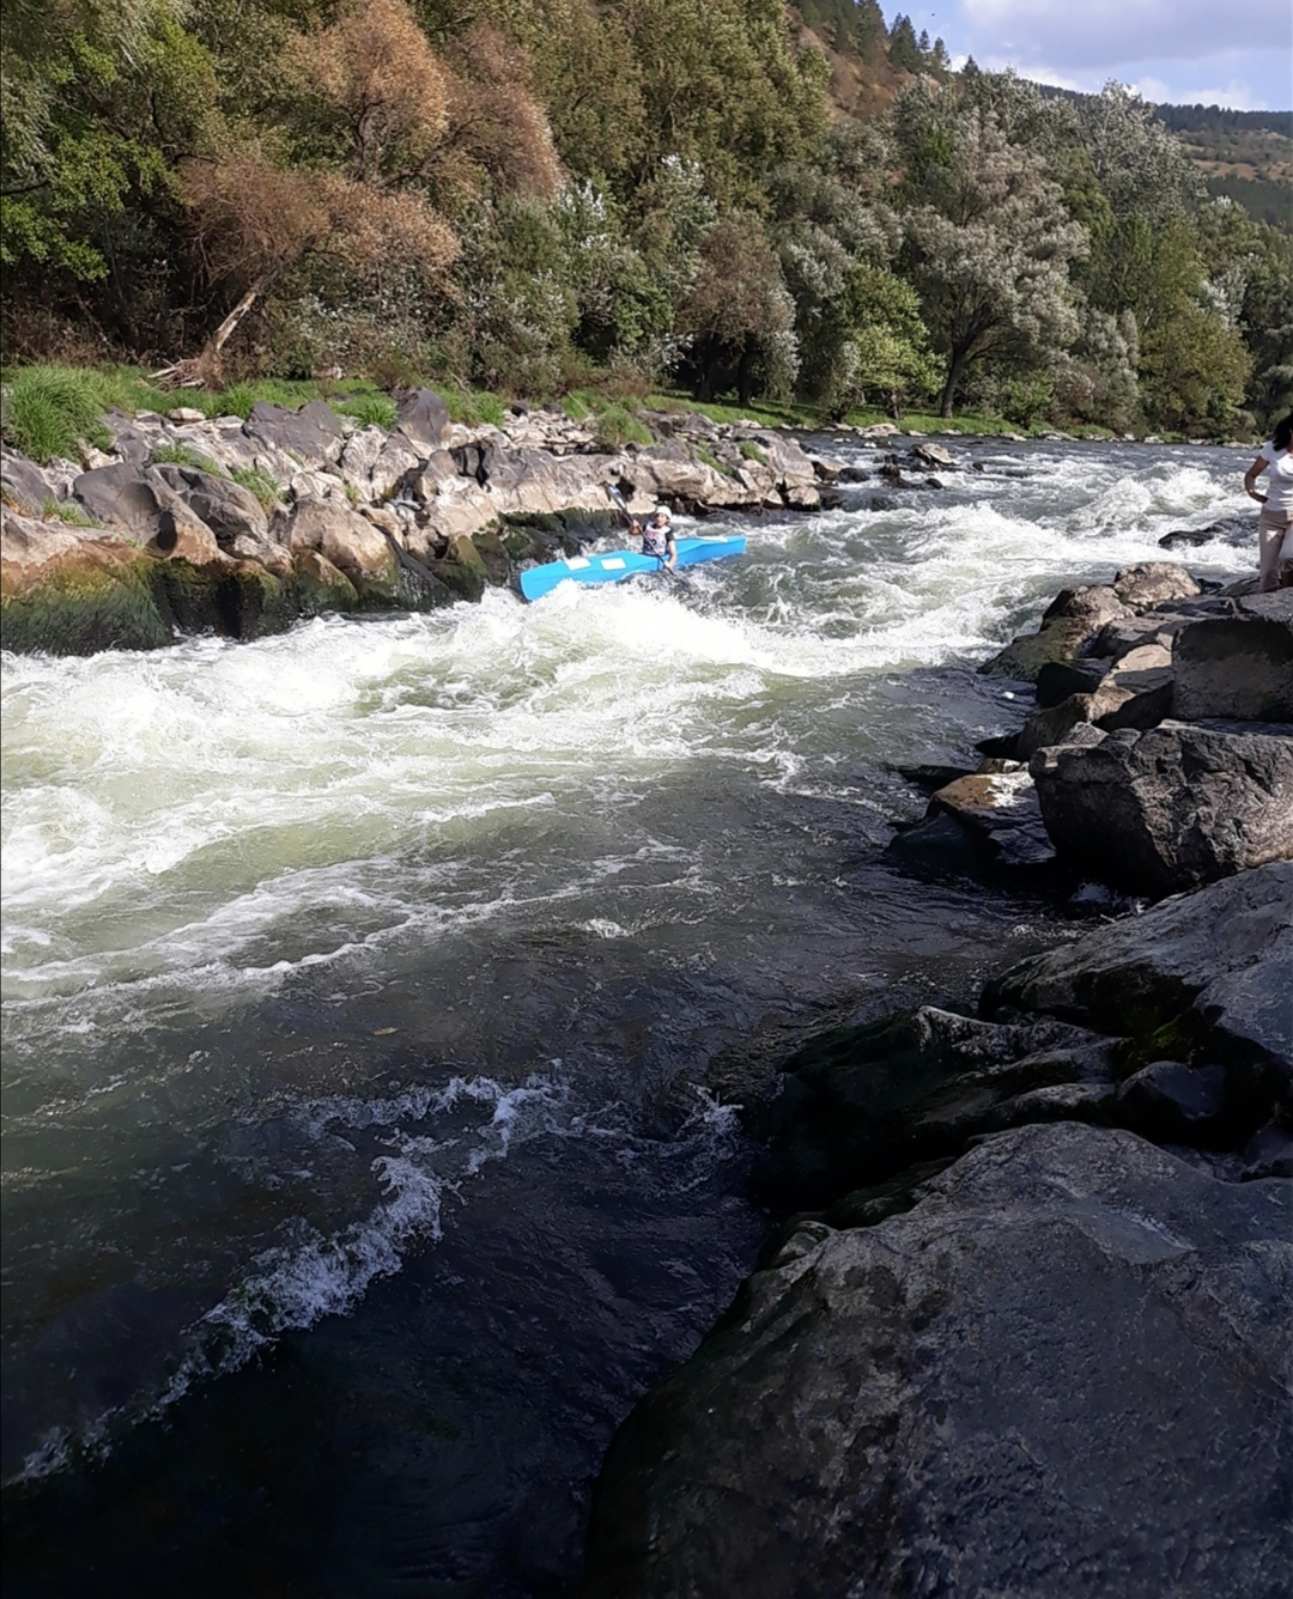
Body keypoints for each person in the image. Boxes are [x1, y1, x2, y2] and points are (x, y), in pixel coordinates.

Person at [1243, 413, 1293, 592]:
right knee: (1267, 576)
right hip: (1271, 517)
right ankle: (1270, 605)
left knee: (1288, 558)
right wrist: (1252, 492)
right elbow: (1251, 475)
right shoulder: (1272, 448)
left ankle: (1287, 600)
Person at [639, 505, 677, 571]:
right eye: (657, 516)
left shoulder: (668, 532)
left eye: (662, 516)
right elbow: (632, 532)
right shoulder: (647, 527)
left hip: (658, 556)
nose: (659, 518)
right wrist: (634, 526)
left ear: (667, 519)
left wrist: (670, 564)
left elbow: (673, 554)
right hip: (644, 555)